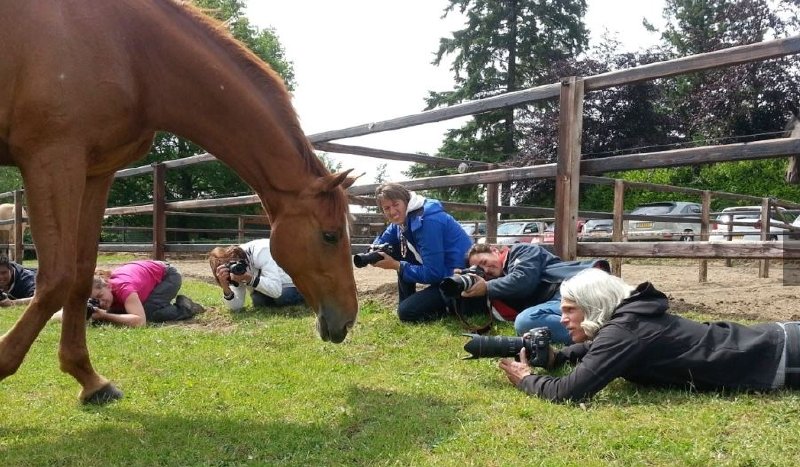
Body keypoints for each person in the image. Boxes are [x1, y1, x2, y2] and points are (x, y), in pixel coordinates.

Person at [497, 268, 797, 403]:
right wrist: (557, 355)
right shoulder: (630, 319)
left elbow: (566, 393)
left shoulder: (625, 331)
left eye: (569, 310)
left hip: (781, 354)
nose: (563, 319)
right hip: (775, 342)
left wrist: (528, 379)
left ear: (593, 306)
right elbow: (597, 350)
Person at [368, 182, 475, 322]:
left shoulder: (426, 220)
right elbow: (383, 240)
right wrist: (372, 251)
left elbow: (433, 273)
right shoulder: (405, 219)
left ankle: (453, 307)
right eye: (386, 208)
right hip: (443, 273)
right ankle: (407, 301)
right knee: (395, 249)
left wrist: (397, 265)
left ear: (406, 201)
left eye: (395, 204)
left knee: (407, 313)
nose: (392, 212)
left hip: (457, 278)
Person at [461, 243, 609, 344]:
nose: (486, 270)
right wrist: (462, 284)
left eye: (484, 262)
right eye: (481, 270)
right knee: (526, 322)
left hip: (578, 285)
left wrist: (487, 287)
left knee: (525, 321)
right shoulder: (499, 286)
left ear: (494, 251)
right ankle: (604, 330)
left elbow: (523, 280)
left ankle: (603, 334)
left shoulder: (522, 250)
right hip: (560, 301)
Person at [208, 238, 304, 311]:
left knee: (282, 297)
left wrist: (249, 279)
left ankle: (309, 296)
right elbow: (236, 307)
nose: (235, 270)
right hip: (276, 285)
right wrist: (226, 288)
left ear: (235, 256)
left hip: (296, 279)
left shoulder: (261, 251)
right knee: (258, 300)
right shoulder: (233, 268)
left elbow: (276, 291)